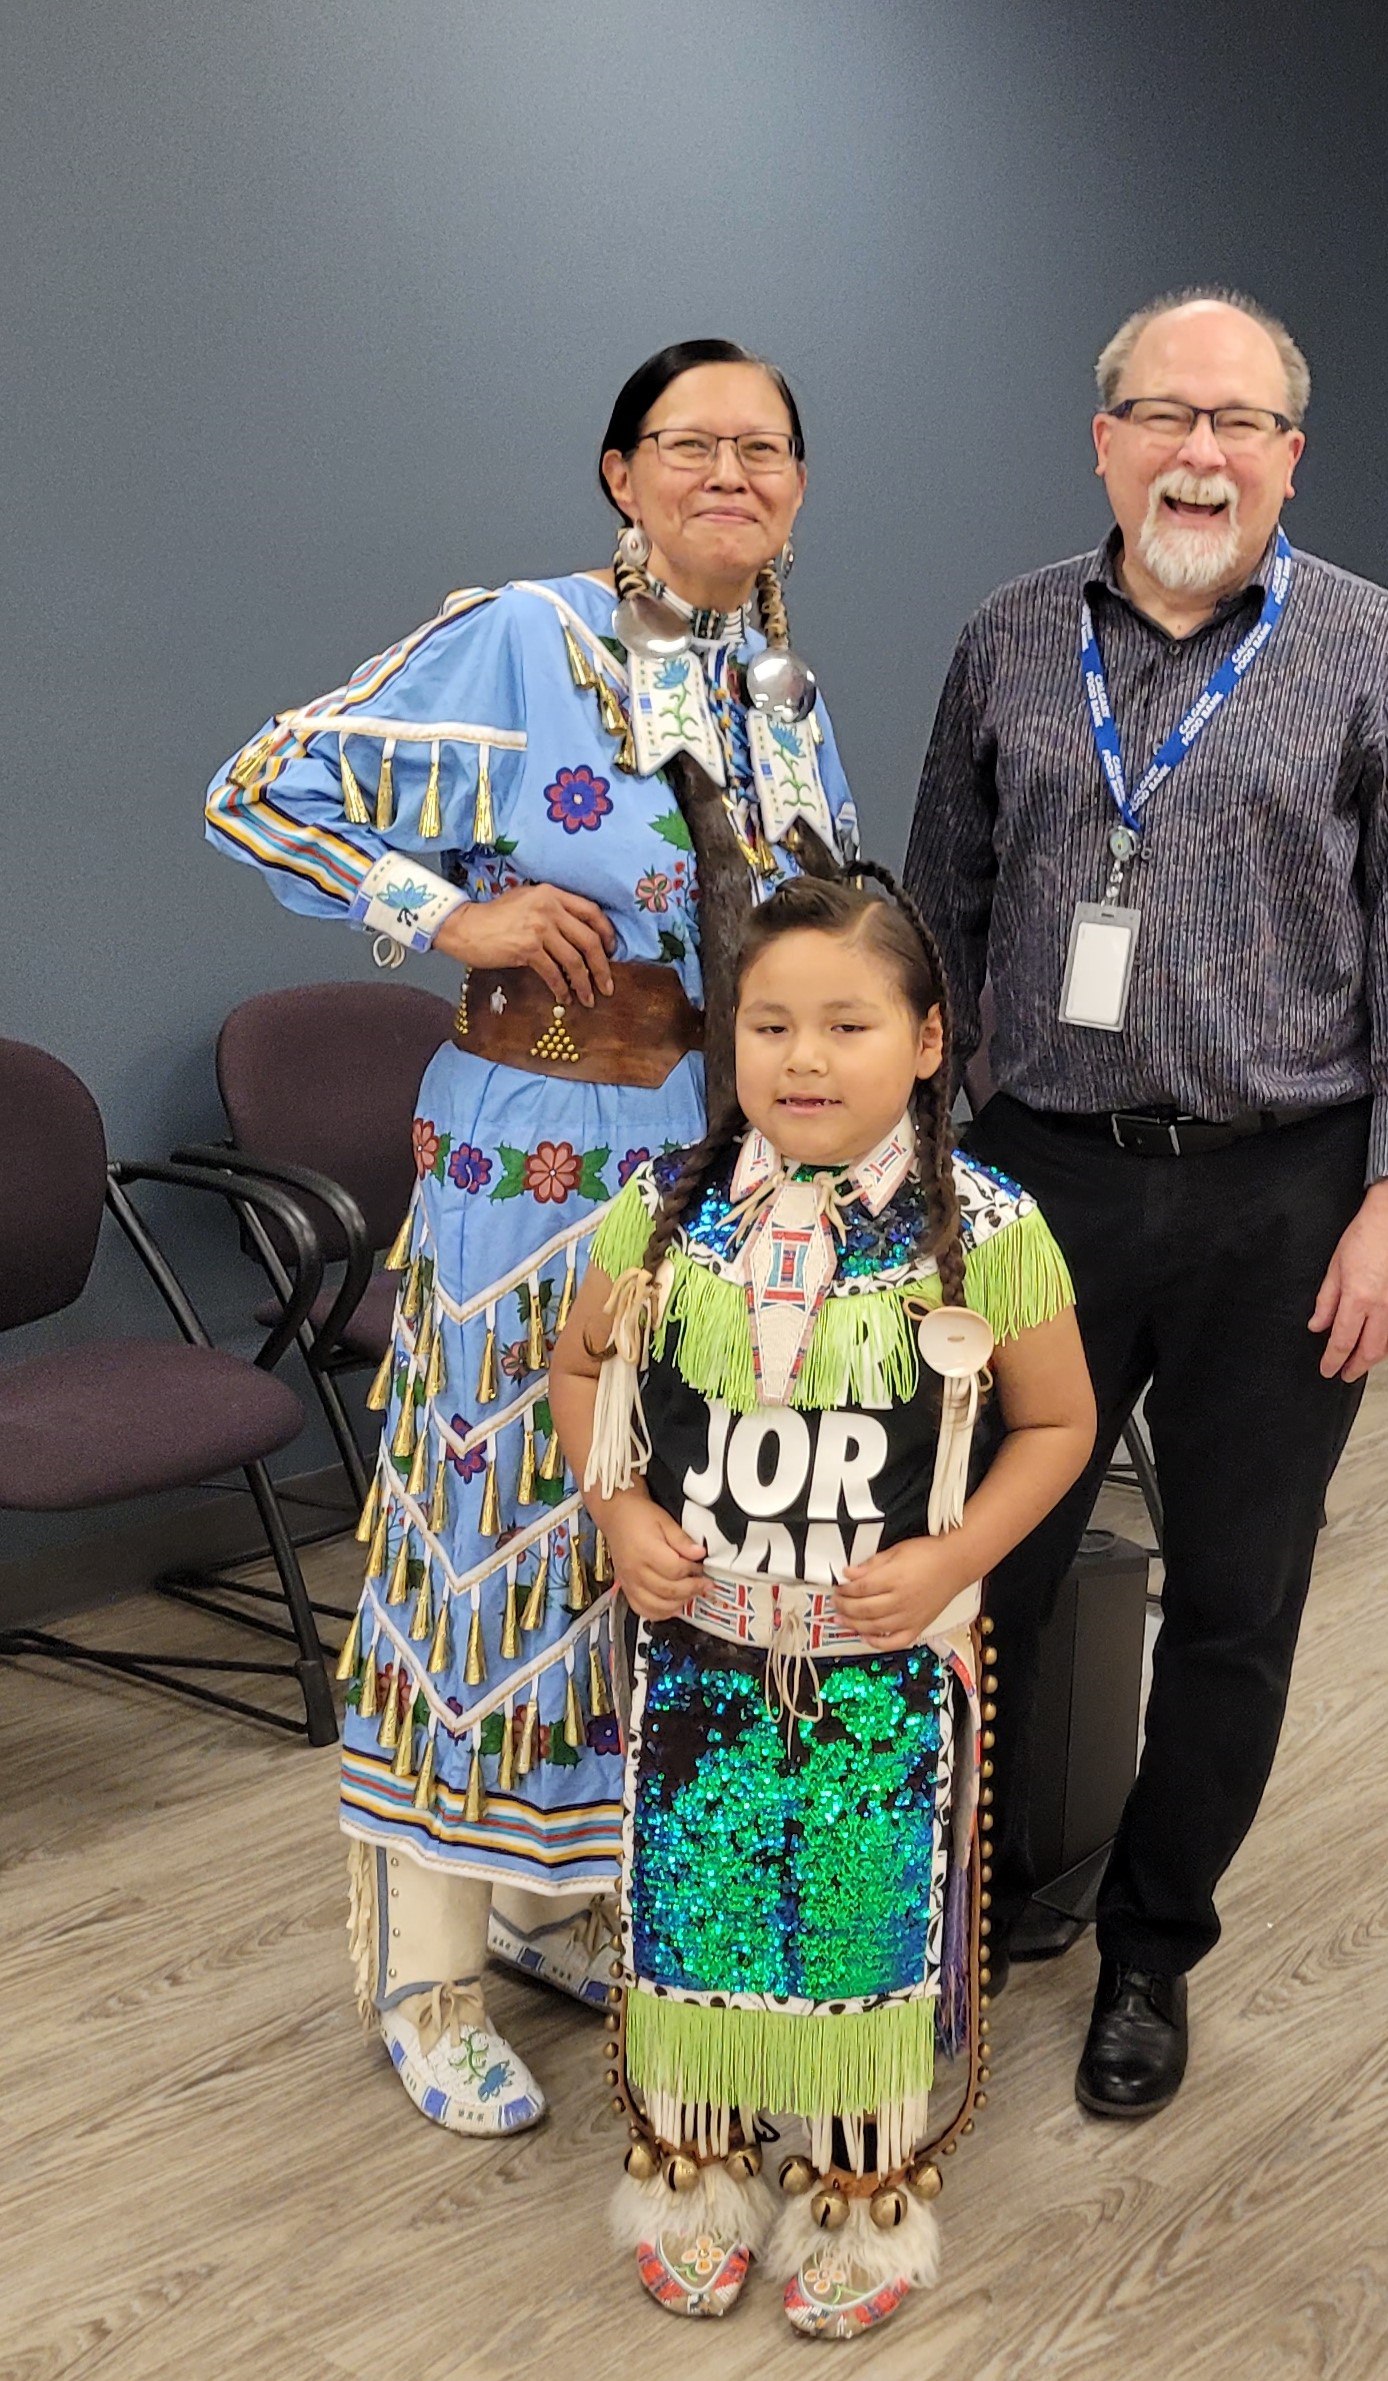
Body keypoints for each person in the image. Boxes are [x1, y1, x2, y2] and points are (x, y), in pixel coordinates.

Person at [205, 339, 860, 2135]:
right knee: (484, 1538)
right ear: (617, 471)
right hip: (535, 1159)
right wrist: (445, 917)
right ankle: (423, 1967)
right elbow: (260, 782)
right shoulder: (521, 634)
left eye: (765, 446)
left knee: (629, 1551)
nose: (730, 469)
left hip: (720, 1171)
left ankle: (551, 1900)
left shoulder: (782, 684)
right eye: (689, 442)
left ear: (798, 483)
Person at [906, 288, 1388, 2120]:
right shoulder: (1008, 638)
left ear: (1288, 456)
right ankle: (976, 1897)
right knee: (980, 1565)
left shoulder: (1376, 650)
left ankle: (1153, 1950)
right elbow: (940, 910)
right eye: (1163, 414)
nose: (1199, 452)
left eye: (1237, 422)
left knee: (1235, 1597)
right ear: (1104, 438)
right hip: (1037, 1186)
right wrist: (916, 1172)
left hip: (1285, 1197)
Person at [551, 869, 1094, 2329]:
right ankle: (698, 2171)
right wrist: (618, 1508)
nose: (802, 1058)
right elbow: (581, 1367)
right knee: (697, 1925)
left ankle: (859, 2202)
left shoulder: (984, 1224)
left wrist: (953, 1556)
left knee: (859, 1943)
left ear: (927, 1041)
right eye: (768, 1023)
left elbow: (1057, 1424)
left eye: (846, 1024)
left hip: (883, 1672)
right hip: (702, 1660)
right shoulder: (661, 1219)